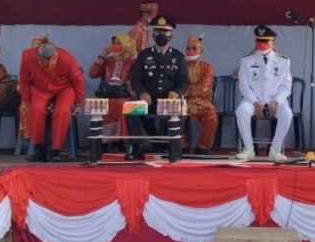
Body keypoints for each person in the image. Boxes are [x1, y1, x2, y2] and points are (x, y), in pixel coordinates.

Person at [127, 15, 188, 159]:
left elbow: (184, 80)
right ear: (153, 34)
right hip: (149, 101)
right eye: (158, 31)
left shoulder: (178, 56)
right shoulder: (144, 55)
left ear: (171, 34)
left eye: (165, 32)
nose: (161, 35)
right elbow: (136, 80)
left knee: (178, 109)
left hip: (168, 101)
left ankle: (174, 147)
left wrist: (177, 92)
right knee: (130, 108)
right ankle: (137, 147)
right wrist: (142, 93)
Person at [18, 39, 86, 162]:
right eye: (42, 61)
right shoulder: (27, 57)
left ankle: (56, 150)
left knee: (63, 111)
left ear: (55, 56)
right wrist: (27, 100)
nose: (46, 65)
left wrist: (79, 104)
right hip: (41, 87)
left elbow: (79, 82)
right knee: (36, 109)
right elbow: (24, 81)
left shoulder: (67, 59)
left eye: (49, 61)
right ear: (36, 56)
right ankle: (39, 149)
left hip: (65, 88)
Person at [234, 26, 293, 162]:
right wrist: (255, 102)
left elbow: (286, 86)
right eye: (259, 41)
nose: (262, 45)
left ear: (273, 43)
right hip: (253, 99)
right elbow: (243, 85)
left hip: (275, 100)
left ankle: (275, 150)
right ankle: (248, 149)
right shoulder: (246, 60)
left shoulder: (284, 61)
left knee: (287, 113)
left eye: (266, 41)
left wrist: (277, 100)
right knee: (241, 111)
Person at [88, 33, 137, 142]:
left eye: (119, 44)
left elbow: (140, 74)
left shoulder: (133, 60)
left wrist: (133, 56)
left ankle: (121, 141)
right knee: (102, 105)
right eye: (114, 44)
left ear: (127, 44)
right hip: (108, 94)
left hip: (126, 95)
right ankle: (105, 141)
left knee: (122, 106)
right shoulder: (109, 60)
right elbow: (92, 74)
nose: (116, 46)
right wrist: (102, 57)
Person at [183, 35, 218, 153]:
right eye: (188, 48)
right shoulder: (180, 66)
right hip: (183, 102)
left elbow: (204, 88)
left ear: (201, 51)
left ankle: (203, 146)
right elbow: (177, 86)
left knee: (211, 116)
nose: (190, 51)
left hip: (203, 102)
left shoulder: (207, 67)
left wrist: (186, 90)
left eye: (194, 48)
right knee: (172, 114)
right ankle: (182, 146)